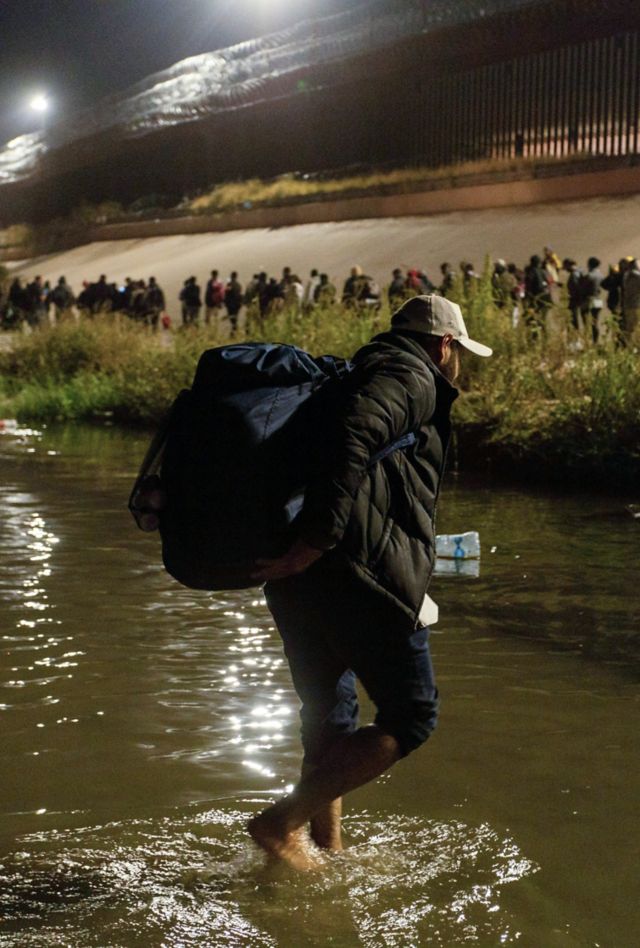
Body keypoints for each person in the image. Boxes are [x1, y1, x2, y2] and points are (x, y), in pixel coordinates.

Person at [248, 294, 492, 870]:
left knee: (329, 715)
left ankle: (325, 850)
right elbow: (356, 434)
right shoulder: (413, 374)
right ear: (445, 345)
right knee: (411, 715)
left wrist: (306, 548)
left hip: (299, 573)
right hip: (352, 571)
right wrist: (321, 539)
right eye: (457, 352)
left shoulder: (353, 373)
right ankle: (280, 823)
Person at [580, 257, 604, 344]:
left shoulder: (589, 276)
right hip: (598, 300)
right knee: (595, 323)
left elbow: (582, 289)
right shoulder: (601, 275)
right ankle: (595, 342)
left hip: (588, 300)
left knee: (585, 323)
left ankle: (586, 341)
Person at [621, 258, 640, 346]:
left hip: (628, 305)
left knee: (629, 328)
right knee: (637, 327)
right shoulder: (637, 276)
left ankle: (629, 346)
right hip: (636, 305)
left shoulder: (626, 275)